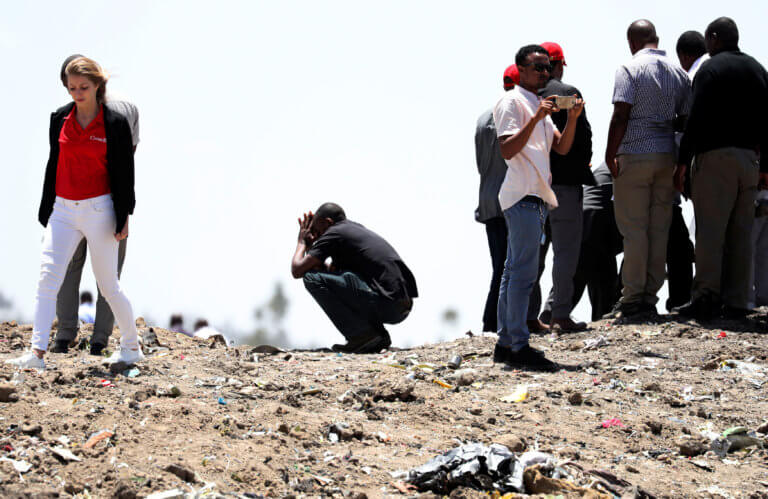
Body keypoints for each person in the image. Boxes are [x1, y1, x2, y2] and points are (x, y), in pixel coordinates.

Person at [6, 57, 142, 370]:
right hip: (63, 210)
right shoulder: (59, 118)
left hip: (100, 209)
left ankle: (131, 347)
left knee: (108, 285)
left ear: (97, 86)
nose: (77, 93)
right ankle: (37, 354)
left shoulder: (115, 123)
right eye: (71, 88)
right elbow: (53, 163)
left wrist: (124, 216)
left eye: (83, 87)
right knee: (47, 279)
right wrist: (47, 210)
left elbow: (124, 173)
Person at [492, 44, 584, 370]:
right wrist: (536, 118)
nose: (544, 73)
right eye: (537, 67)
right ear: (520, 69)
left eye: (548, 67)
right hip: (522, 195)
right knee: (523, 273)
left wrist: (571, 118)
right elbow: (507, 148)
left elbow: (561, 147)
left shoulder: (536, 104)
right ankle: (517, 345)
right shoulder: (512, 101)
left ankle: (507, 343)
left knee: (514, 271)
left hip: (535, 196)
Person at [676, 17, 768, 319]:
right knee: (741, 233)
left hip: (715, 158)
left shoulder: (710, 69)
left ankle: (706, 297)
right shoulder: (758, 69)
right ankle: (738, 300)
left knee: (711, 231)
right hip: (749, 162)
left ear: (715, 38)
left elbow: (696, 118)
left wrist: (682, 163)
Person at [52, 54, 140, 356]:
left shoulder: (74, 114)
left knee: (68, 267)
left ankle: (65, 335)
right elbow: (129, 159)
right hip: (109, 202)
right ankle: (99, 339)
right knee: (109, 276)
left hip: (79, 202)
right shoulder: (125, 109)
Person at [604, 19, 691, 319]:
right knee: (659, 229)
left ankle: (632, 296)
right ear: (656, 38)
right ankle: (650, 296)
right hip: (666, 154)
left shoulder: (629, 69)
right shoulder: (679, 73)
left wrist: (610, 152)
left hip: (635, 152)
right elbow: (685, 120)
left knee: (634, 228)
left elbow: (621, 113)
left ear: (631, 42)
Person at [291, 203, 417, 353]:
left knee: (311, 278)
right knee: (342, 278)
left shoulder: (334, 233)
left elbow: (297, 270)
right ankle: (377, 337)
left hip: (387, 302)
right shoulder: (351, 231)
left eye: (318, 230)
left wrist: (302, 243)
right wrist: (313, 248)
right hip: (399, 305)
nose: (317, 236)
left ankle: (361, 335)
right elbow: (331, 278)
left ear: (327, 223)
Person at [534, 41, 594, 332]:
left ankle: (528, 316)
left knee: (532, 256)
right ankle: (559, 314)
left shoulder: (527, 96)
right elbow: (584, 138)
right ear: (558, 65)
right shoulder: (570, 93)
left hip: (532, 186)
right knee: (566, 252)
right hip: (565, 185)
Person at [475, 64, 519, 332]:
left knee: (500, 266)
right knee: (509, 268)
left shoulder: (483, 118)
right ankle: (495, 323)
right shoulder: (515, 116)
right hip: (511, 200)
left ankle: (492, 322)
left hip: (489, 199)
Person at [572, 164, 623, 320]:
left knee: (590, 275)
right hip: (598, 220)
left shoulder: (610, 165)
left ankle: (553, 315)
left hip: (588, 218)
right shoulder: (628, 160)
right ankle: (552, 316)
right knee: (577, 278)